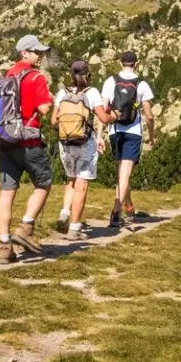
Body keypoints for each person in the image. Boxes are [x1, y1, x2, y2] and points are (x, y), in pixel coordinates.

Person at [0, 34, 53, 264]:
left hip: (5, 142)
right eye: (36, 51)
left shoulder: (6, 76)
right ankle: (26, 227)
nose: (40, 56)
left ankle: (4, 246)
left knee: (6, 193)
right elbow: (45, 108)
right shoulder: (35, 77)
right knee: (44, 182)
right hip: (28, 142)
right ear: (24, 53)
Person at [51, 60, 118, 240]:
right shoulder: (92, 92)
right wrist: (116, 115)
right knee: (81, 184)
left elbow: (53, 121)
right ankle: (74, 228)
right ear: (88, 75)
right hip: (85, 143)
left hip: (65, 143)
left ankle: (65, 213)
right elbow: (103, 117)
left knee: (71, 180)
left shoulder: (61, 93)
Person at [101, 50, 155, 228]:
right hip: (133, 131)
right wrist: (152, 137)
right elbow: (149, 116)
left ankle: (129, 208)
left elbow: (103, 110)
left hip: (114, 130)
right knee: (125, 174)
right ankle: (116, 213)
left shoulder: (111, 81)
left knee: (122, 175)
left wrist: (99, 133)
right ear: (136, 64)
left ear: (120, 63)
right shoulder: (141, 84)